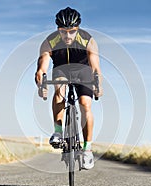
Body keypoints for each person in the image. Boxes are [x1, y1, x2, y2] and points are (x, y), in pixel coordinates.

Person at [35, 7, 102, 170]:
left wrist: (98, 84)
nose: (67, 36)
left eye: (71, 31)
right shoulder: (49, 41)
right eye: (63, 31)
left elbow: (95, 66)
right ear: (58, 29)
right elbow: (42, 65)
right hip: (61, 70)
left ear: (77, 29)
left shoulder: (88, 40)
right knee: (59, 90)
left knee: (85, 104)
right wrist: (40, 80)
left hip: (83, 71)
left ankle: (87, 149)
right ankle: (58, 131)